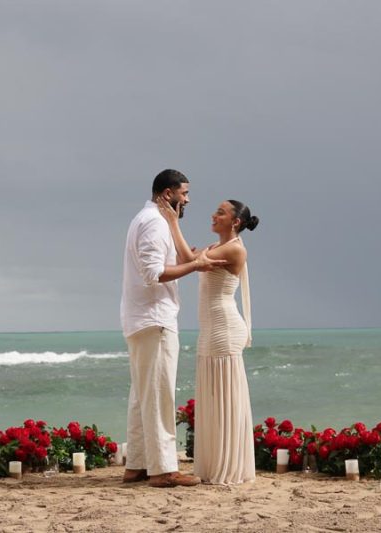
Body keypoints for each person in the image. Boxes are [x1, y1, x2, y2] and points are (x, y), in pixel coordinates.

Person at [120, 169, 225, 488]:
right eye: (184, 193)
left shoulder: (149, 219)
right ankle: (163, 470)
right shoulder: (153, 222)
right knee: (159, 395)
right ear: (168, 194)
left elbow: (167, 260)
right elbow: (152, 273)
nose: (188, 200)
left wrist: (188, 257)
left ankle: (137, 465)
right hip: (155, 318)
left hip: (141, 318)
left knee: (142, 396)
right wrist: (195, 265)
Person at [157, 196, 259, 485]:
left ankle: (228, 466)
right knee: (213, 395)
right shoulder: (215, 247)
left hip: (224, 328)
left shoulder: (235, 249)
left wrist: (173, 222)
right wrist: (184, 248)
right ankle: (213, 463)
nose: (214, 215)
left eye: (221, 212)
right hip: (211, 329)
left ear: (235, 222)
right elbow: (187, 259)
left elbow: (191, 261)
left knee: (224, 395)